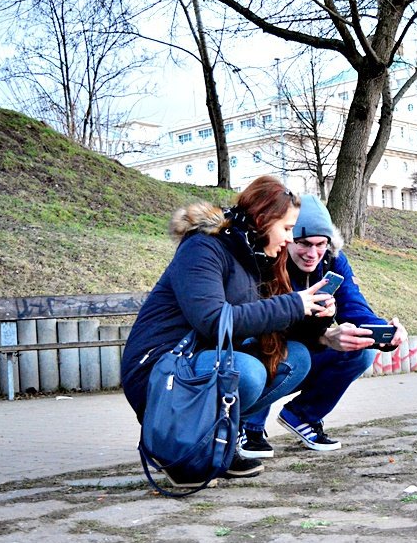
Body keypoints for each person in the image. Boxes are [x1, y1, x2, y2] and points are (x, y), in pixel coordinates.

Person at [121, 175, 334, 484]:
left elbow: (263, 322)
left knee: (295, 359)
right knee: (247, 372)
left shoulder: (252, 253)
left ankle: (217, 441)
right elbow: (213, 319)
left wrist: (315, 316)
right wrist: (293, 304)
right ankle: (178, 444)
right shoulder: (202, 247)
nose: (290, 239)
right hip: (161, 367)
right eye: (287, 229)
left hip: (204, 359)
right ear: (263, 219)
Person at [237, 194, 408, 457]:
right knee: (269, 347)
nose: (312, 253)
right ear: (287, 237)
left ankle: (302, 416)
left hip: (308, 348)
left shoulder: (332, 261)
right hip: (268, 349)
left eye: (320, 244)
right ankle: (249, 425)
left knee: (362, 350)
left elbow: (353, 304)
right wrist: (322, 331)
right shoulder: (267, 260)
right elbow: (256, 323)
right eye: (304, 243)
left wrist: (382, 332)